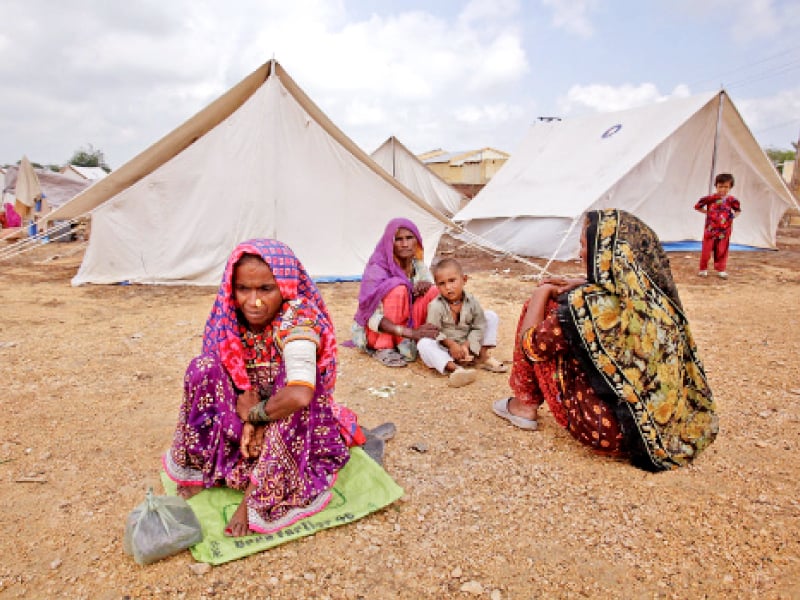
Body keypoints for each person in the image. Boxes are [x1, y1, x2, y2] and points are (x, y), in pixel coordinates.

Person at [163, 239, 365, 537]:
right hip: (246, 415)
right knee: (202, 368)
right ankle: (199, 468)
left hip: (292, 424)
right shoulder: (228, 315)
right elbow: (221, 383)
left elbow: (299, 394)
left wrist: (256, 416)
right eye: (244, 289)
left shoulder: (298, 317)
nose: (253, 301)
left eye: (265, 289)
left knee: (291, 387)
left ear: (284, 286)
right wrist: (247, 420)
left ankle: (258, 493)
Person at [492, 209, 718, 471]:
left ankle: (524, 405)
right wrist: (584, 282)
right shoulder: (653, 299)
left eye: (584, 246)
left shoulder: (586, 307)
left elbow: (529, 346)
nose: (579, 254)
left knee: (540, 309)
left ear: (605, 252)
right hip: (660, 431)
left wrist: (542, 291)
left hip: (608, 432)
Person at [352, 218, 440, 367]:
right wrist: (411, 333)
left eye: (409, 238)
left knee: (432, 290)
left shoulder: (417, 266)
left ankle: (423, 339)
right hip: (378, 332)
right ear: (389, 243)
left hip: (409, 328)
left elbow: (436, 296)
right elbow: (370, 316)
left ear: (416, 240)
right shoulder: (377, 269)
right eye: (398, 239)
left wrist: (425, 286)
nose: (405, 244)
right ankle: (384, 348)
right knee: (398, 289)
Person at [417, 258, 508, 387]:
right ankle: (455, 369)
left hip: (469, 345)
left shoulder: (472, 301)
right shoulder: (435, 306)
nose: (448, 287)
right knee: (424, 343)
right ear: (437, 286)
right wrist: (452, 345)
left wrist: (466, 345)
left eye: (452, 281)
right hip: (446, 348)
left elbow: (478, 326)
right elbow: (434, 332)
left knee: (490, 316)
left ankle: (481, 357)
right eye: (442, 284)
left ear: (464, 280)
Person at [695, 173, 741, 279]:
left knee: (722, 250)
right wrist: (708, 212)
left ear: (730, 187)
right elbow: (697, 206)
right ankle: (703, 269)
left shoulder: (732, 200)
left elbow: (738, 210)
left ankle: (721, 269)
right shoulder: (710, 198)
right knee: (706, 250)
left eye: (726, 187)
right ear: (716, 186)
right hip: (710, 230)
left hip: (724, 231)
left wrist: (733, 216)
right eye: (721, 186)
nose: (723, 189)